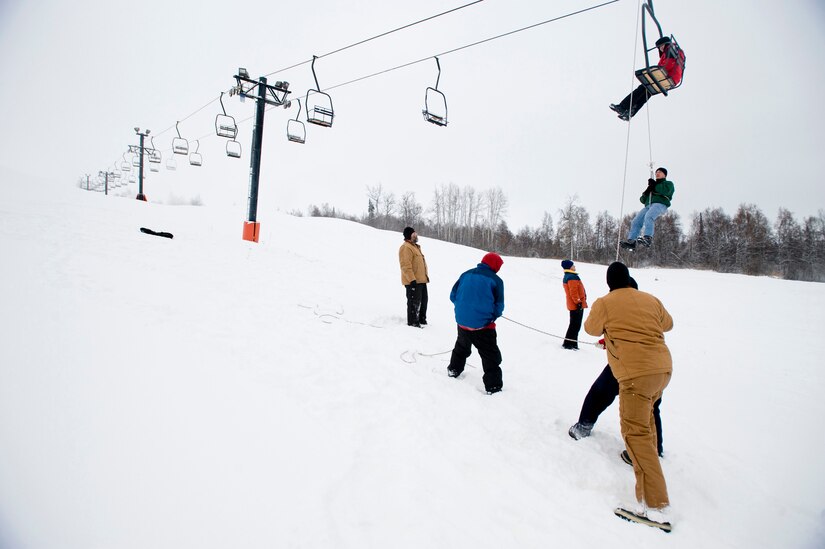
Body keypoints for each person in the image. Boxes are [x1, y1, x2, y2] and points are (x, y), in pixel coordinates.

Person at [584, 262, 674, 530]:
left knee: (635, 433)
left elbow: (590, 328)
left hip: (636, 375)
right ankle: (649, 465)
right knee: (646, 423)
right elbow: (668, 324)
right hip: (663, 370)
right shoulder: (650, 299)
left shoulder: (605, 302)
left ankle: (655, 507)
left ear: (609, 282)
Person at [568, 277, 665, 459]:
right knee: (652, 405)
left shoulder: (616, 303)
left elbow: (594, 327)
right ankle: (656, 447)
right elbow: (662, 325)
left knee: (600, 393)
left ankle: (584, 426)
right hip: (658, 365)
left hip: (628, 365)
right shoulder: (647, 304)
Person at [446, 252, 505, 395]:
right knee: (490, 355)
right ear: (495, 265)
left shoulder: (465, 274)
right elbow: (499, 306)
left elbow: (453, 295)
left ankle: (454, 370)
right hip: (483, 326)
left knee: (461, 348)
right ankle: (493, 386)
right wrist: (491, 317)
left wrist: (464, 308)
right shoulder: (496, 280)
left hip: (462, 322)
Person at [610, 36, 685, 121]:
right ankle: (630, 113)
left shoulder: (670, 49)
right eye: (659, 47)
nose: (661, 48)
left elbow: (669, 64)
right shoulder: (677, 52)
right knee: (648, 91)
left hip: (667, 75)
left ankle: (622, 106)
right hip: (672, 80)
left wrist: (658, 69)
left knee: (642, 87)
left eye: (661, 46)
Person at [620, 167, 675, 250]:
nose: (657, 173)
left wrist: (654, 185)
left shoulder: (668, 183)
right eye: (656, 172)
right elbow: (642, 200)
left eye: (660, 172)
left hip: (660, 204)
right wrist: (648, 190)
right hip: (648, 205)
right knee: (636, 221)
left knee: (649, 217)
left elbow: (665, 191)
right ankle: (632, 242)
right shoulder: (653, 185)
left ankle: (648, 238)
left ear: (665, 174)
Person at [399, 227, 429, 327]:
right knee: (414, 303)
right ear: (409, 235)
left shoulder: (415, 247)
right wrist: (412, 279)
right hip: (413, 281)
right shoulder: (406, 247)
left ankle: (422, 320)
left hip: (422, 280)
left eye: (416, 233)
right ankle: (413, 323)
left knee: (423, 302)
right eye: (413, 233)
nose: (416, 235)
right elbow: (405, 265)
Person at [560, 259, 587, 350]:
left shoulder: (570, 276)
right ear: (569, 267)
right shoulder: (571, 277)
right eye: (573, 265)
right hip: (575, 305)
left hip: (575, 304)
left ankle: (573, 344)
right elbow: (573, 292)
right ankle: (568, 344)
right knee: (574, 325)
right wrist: (578, 302)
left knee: (575, 325)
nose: (574, 266)